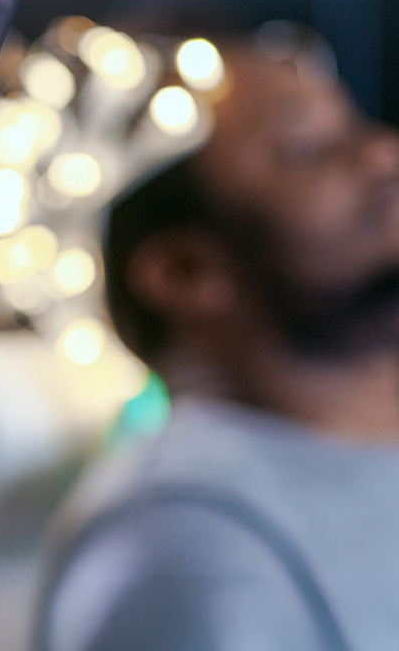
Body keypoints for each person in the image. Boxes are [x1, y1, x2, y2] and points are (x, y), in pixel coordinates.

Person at [36, 33, 399, 651]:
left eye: (354, 124)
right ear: (185, 271)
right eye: (307, 148)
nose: (383, 155)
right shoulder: (182, 553)